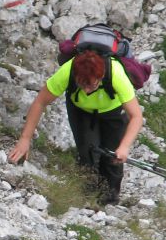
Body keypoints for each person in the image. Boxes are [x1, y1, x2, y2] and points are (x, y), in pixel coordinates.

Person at [8, 49, 143, 205]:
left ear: (101, 77)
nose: (86, 90)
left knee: (113, 158)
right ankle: (88, 199)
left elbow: (136, 116)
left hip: (113, 112)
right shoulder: (67, 72)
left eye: (92, 86)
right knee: (88, 154)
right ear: (76, 77)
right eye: (82, 85)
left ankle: (110, 201)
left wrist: (125, 147)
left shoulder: (116, 74)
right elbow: (40, 102)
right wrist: (24, 139)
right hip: (81, 111)